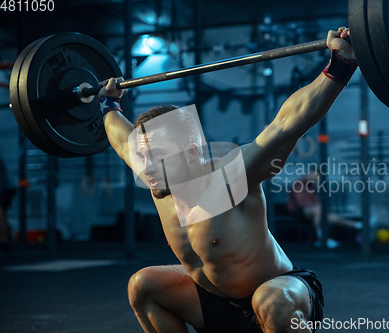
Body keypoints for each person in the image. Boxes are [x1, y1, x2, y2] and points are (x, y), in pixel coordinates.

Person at [99, 28, 356, 333]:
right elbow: (119, 137)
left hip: (279, 293)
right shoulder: (159, 179)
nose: (147, 167)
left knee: (271, 301)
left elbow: (286, 124)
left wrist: (340, 65)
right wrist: (107, 104)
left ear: (192, 152)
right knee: (142, 285)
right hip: (216, 305)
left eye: (158, 156)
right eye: (144, 157)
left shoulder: (230, 177)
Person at [287, 168, 362, 249]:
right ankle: (322, 238)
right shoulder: (298, 184)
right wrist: (318, 206)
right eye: (315, 176)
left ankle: (358, 225)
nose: (315, 179)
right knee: (318, 210)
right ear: (309, 173)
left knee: (332, 217)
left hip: (315, 211)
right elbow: (301, 203)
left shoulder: (312, 186)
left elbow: (315, 201)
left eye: (317, 177)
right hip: (299, 212)